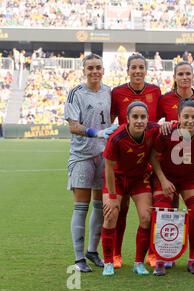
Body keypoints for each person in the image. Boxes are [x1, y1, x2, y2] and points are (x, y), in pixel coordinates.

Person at [64, 53, 118, 272]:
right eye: (90, 68)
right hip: (82, 156)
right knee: (81, 206)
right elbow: (73, 126)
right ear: (84, 70)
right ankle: (78, 259)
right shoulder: (76, 93)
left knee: (100, 206)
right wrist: (97, 133)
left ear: (103, 70)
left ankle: (92, 251)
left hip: (103, 157)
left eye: (98, 67)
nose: (95, 71)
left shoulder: (108, 91)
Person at [110, 53, 161, 269]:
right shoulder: (117, 92)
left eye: (141, 67)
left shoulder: (155, 91)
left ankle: (150, 253)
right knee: (119, 211)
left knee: (147, 213)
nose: (137, 71)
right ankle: (115, 254)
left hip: (144, 161)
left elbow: (157, 124)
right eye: (134, 67)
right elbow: (111, 122)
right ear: (128, 70)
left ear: (146, 70)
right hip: (122, 160)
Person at [101, 101, 160, 276]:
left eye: (143, 117)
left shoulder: (153, 129)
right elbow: (109, 168)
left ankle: (138, 263)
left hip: (139, 179)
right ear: (127, 119)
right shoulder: (117, 137)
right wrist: (112, 197)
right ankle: (108, 262)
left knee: (146, 217)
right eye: (135, 116)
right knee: (111, 215)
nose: (139, 120)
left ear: (148, 118)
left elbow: (172, 126)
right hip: (117, 180)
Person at [150, 98, 194, 276]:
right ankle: (161, 259)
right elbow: (153, 157)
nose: (190, 120)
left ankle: (193, 259)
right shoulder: (167, 132)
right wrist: (163, 180)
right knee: (163, 214)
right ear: (178, 117)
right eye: (186, 116)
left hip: (189, 178)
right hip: (165, 177)